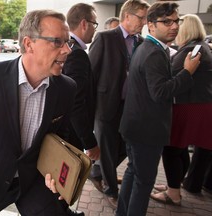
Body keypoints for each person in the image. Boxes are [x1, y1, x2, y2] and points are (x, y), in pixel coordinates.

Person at [0, 9, 85, 216]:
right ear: (29, 44)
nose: (67, 50)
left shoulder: (66, 88)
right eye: (57, 42)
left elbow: (60, 138)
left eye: (68, 42)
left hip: (34, 181)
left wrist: (55, 173)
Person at [117, 2, 201, 216]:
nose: (174, 26)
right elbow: (161, 92)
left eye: (176, 21)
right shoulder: (153, 51)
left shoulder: (149, 47)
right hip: (146, 131)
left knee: (133, 175)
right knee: (143, 183)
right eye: (167, 22)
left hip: (137, 127)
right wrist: (187, 72)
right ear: (151, 25)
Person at [88, 0, 150, 209]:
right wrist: (91, 108)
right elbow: (91, 74)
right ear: (127, 16)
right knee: (106, 150)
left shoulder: (142, 42)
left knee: (124, 146)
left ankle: (97, 172)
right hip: (105, 105)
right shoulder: (105, 38)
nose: (144, 22)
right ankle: (110, 189)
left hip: (130, 106)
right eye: (141, 17)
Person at [150, 13, 212, 205]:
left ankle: (173, 193)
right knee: (180, 149)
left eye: (177, 24)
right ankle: (173, 184)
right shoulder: (201, 46)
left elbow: (172, 77)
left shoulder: (192, 49)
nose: (174, 28)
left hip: (188, 107)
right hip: (197, 106)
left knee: (171, 149)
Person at [63, 3, 100, 161]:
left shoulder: (67, 46)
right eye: (94, 24)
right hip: (71, 136)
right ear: (84, 24)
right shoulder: (76, 54)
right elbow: (75, 102)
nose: (95, 29)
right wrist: (89, 142)